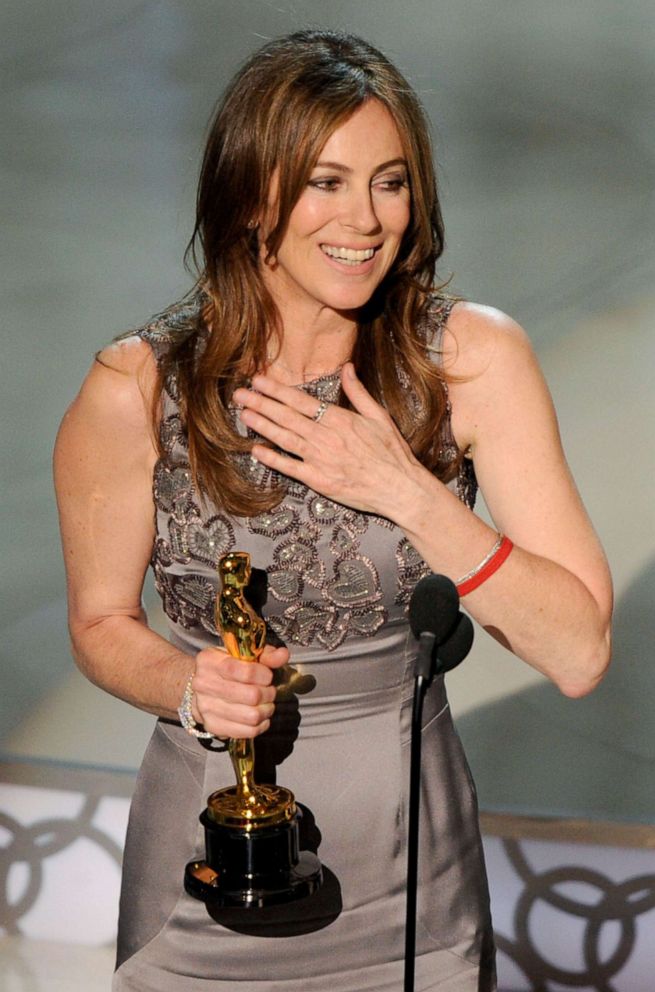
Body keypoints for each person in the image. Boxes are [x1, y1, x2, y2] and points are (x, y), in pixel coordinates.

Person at [54, 29, 612, 992]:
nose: (365, 218)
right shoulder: (137, 386)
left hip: (412, 894)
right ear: (249, 194)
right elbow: (100, 624)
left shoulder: (470, 359)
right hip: (205, 889)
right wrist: (189, 688)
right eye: (325, 181)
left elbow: (577, 650)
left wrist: (403, 488)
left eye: (390, 183)